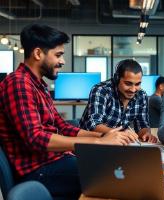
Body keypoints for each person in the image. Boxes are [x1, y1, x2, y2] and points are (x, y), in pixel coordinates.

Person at [0, 24, 135, 199]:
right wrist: (98, 143)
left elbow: (61, 126)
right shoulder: (18, 83)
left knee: (116, 166)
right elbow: (36, 139)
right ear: (38, 53)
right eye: (58, 55)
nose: (62, 61)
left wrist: (103, 137)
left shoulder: (38, 84)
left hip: (52, 163)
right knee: (114, 174)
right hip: (36, 171)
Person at [80, 59, 158, 143]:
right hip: (90, 144)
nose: (133, 89)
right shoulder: (101, 90)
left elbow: (142, 124)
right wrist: (121, 133)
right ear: (117, 79)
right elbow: (93, 125)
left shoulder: (141, 95)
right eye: (128, 84)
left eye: (137, 84)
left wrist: (146, 133)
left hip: (117, 145)